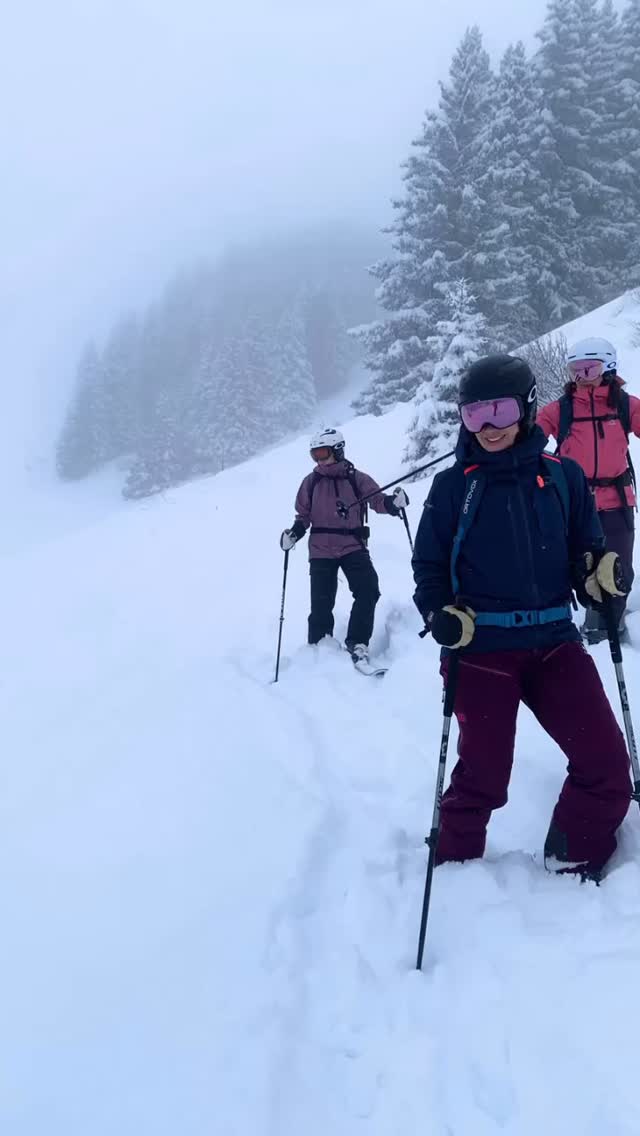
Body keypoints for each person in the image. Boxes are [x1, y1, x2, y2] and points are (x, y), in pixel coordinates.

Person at [412, 354, 631, 881]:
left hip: (555, 643)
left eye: (501, 410)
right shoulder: (451, 488)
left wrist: (597, 573)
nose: (488, 427)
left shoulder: (563, 477)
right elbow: (429, 568)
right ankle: (454, 869)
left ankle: (573, 855)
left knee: (606, 767)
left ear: (528, 408)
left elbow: (586, 549)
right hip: (481, 650)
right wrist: (440, 614)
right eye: (474, 415)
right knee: (484, 778)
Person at [537, 336, 640, 644]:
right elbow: (532, 437)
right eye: (575, 370)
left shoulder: (624, 404)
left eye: (589, 369)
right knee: (580, 567)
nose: (581, 376)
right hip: (574, 503)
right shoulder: (560, 410)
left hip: (616, 501)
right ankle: (585, 623)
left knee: (619, 568)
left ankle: (610, 623)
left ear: (607, 367)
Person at [280, 427, 409, 667]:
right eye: (314, 455)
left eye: (323, 453)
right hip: (320, 550)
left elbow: (377, 500)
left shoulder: (356, 478)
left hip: (353, 545)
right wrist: (294, 534)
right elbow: (303, 516)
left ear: (338, 451)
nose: (319, 460)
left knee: (368, 590)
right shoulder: (311, 482)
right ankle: (319, 647)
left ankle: (357, 643)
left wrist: (393, 504)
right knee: (321, 603)